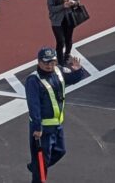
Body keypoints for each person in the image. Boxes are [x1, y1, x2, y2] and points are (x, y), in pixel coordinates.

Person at [25, 47, 88, 183]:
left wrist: (78, 70)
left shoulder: (58, 71)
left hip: (57, 126)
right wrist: (37, 127)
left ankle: (35, 167)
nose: (49, 65)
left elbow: (71, 79)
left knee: (60, 151)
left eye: (52, 62)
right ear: (39, 62)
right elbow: (33, 105)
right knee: (42, 163)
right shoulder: (33, 80)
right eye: (46, 62)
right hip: (43, 129)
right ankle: (37, 171)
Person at [47, 0, 79, 66]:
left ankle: (67, 55)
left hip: (69, 19)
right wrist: (63, 6)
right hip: (57, 21)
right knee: (60, 41)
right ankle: (60, 60)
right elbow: (51, 8)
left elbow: (77, 0)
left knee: (68, 39)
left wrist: (74, 3)